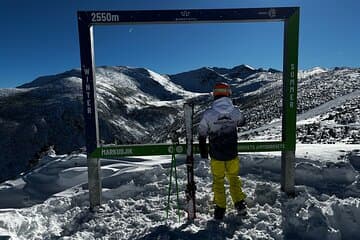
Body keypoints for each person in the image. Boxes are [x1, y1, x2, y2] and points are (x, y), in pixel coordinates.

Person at [198, 82, 247, 220]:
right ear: (228, 93)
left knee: (218, 181)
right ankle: (239, 204)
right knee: (233, 178)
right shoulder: (235, 111)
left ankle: (220, 208)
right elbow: (243, 122)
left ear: (215, 94)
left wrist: (203, 152)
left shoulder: (208, 113)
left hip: (216, 155)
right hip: (232, 153)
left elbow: (202, 133)